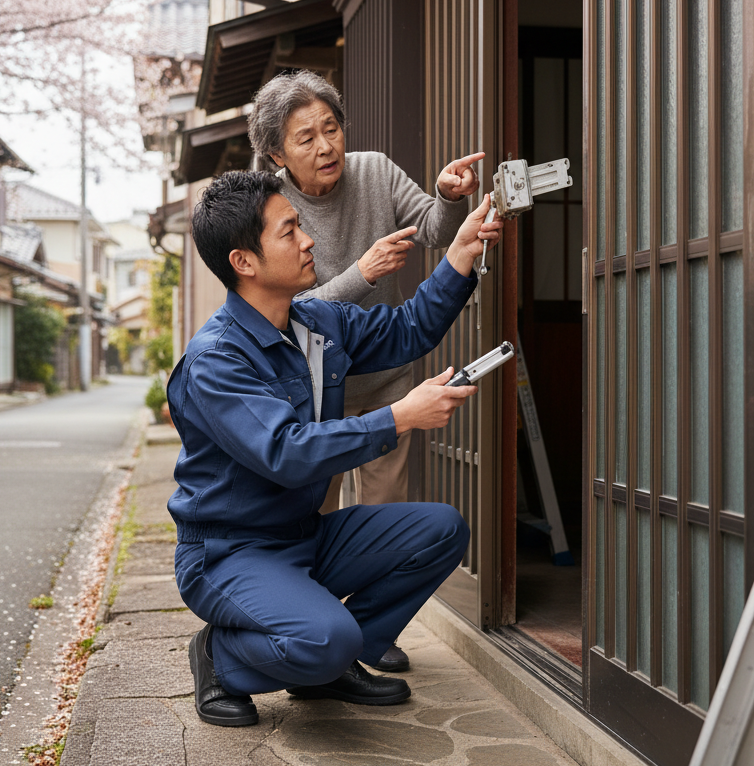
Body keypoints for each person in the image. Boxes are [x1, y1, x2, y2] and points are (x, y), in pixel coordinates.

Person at [167, 169, 502, 727]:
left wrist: (461, 253)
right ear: (243, 263)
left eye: (300, 226)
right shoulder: (216, 361)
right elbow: (286, 452)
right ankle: (221, 656)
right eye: (288, 231)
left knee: (440, 530)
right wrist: (397, 418)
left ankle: (330, 665)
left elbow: (409, 331)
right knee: (326, 637)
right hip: (229, 554)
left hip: (303, 537)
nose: (308, 240)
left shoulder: (317, 321)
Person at [248, 71, 483, 672]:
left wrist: (448, 195)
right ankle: (320, 630)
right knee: (314, 513)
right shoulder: (269, 206)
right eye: (306, 138)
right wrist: (364, 272)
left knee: (386, 512)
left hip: (383, 372)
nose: (326, 146)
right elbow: (286, 311)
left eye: (332, 128)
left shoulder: (374, 170)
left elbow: (432, 229)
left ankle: (373, 630)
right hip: (310, 386)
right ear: (277, 153)